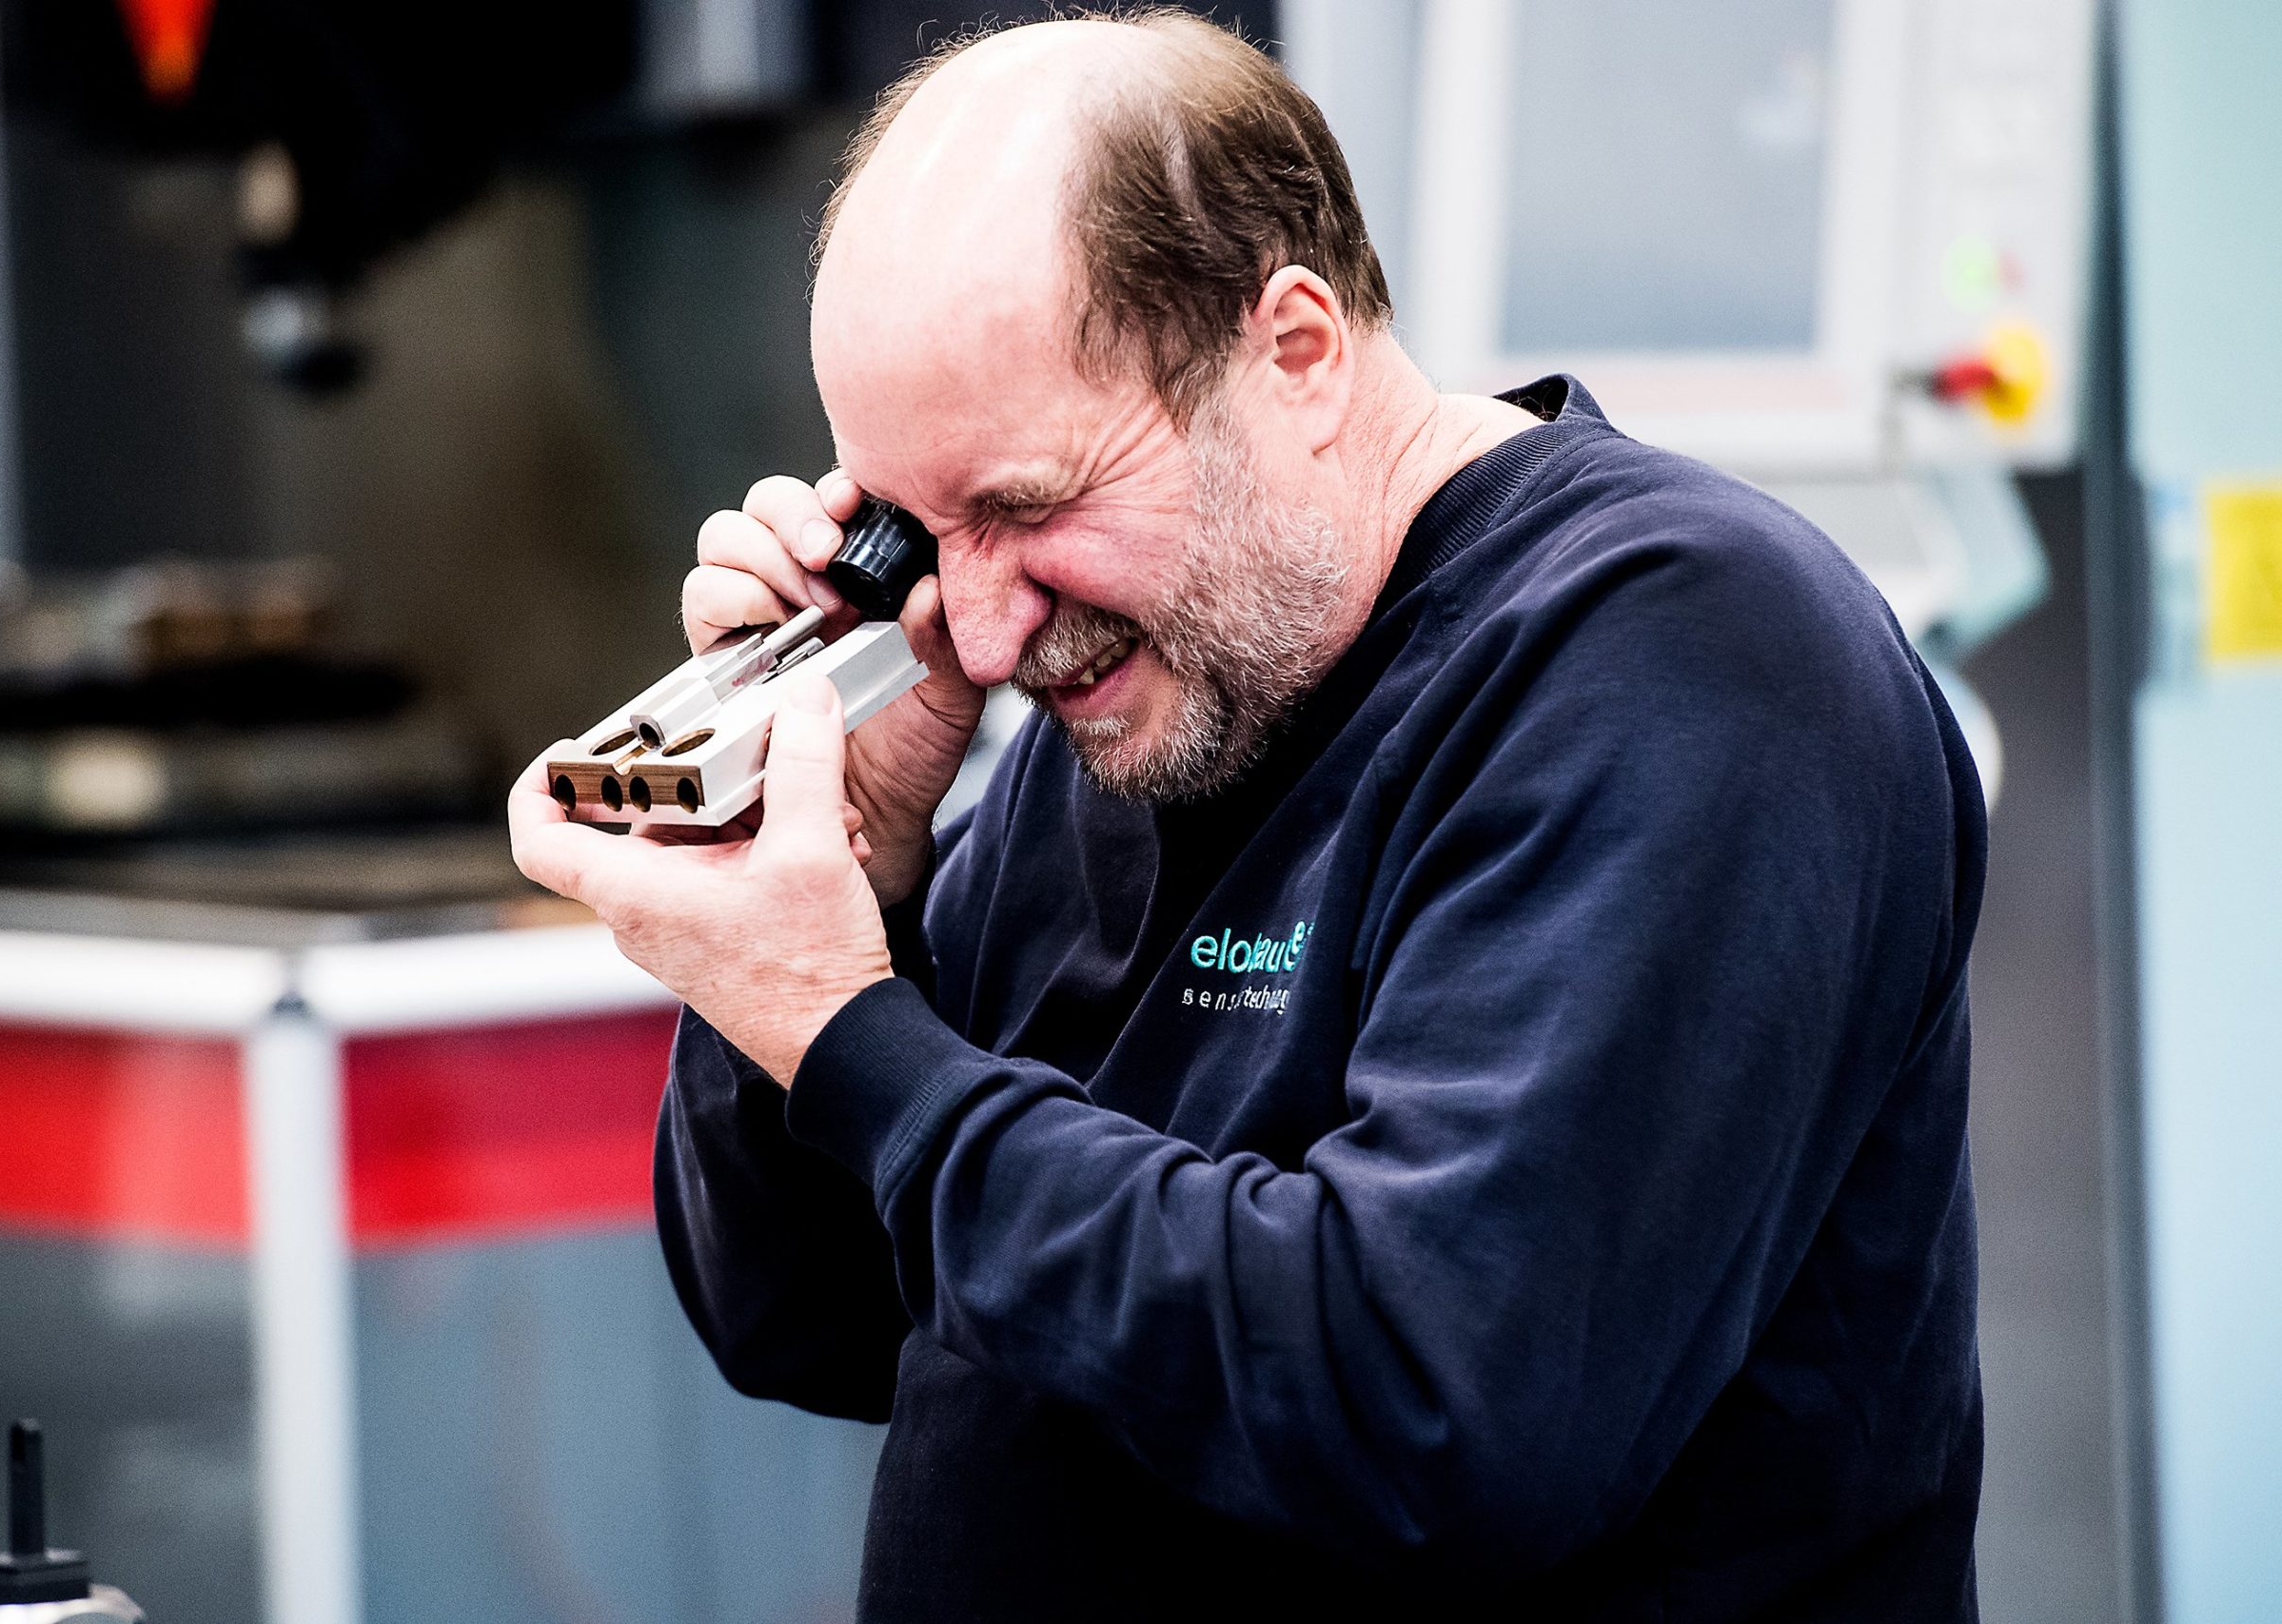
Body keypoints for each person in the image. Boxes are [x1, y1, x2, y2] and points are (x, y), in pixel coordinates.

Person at [509, 11, 1986, 1619]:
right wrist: (842, 883)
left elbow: (1436, 1410)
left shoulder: (1683, 652)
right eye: (924, 535)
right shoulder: (1153, 695)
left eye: (1025, 506)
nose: (986, 634)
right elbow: (806, 1325)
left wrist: (848, 1027)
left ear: (1296, 349)